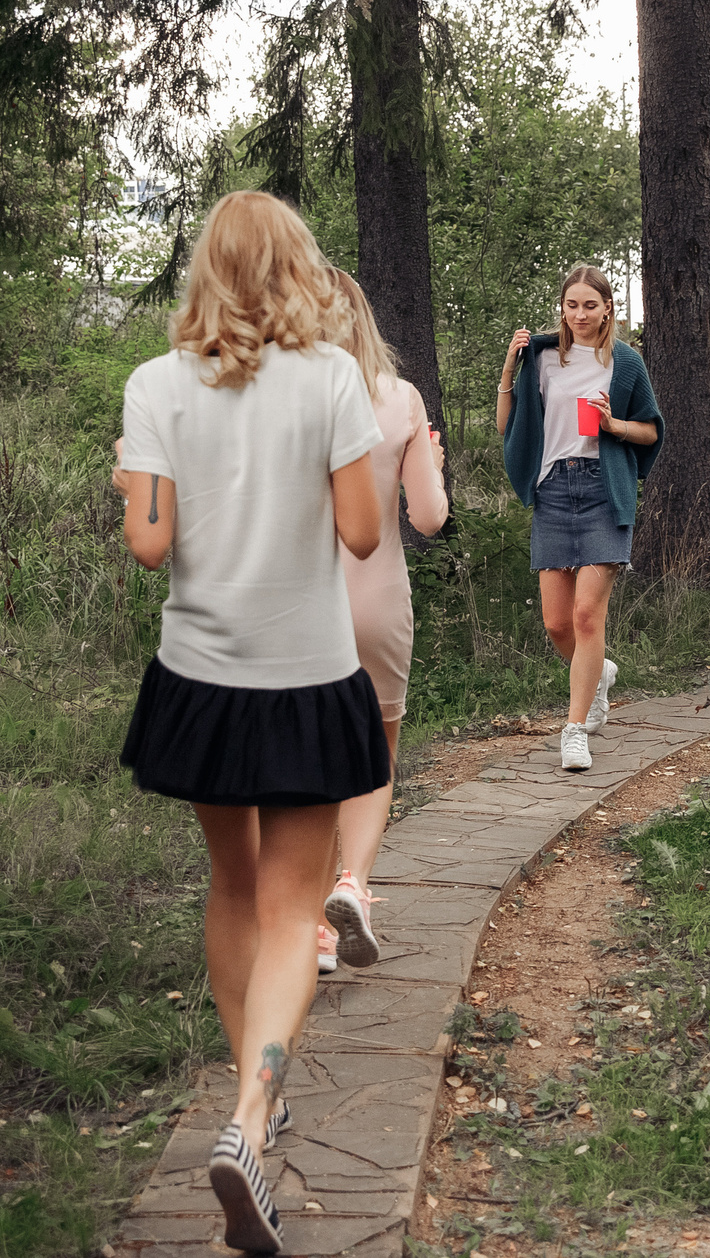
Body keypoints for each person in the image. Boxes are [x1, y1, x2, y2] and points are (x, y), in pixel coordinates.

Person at [110, 191, 390, 1255]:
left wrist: (134, 483)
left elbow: (148, 544)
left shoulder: (153, 387)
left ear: (205, 273)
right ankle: (250, 1118)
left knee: (234, 891)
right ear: (294, 268)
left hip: (201, 678)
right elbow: (363, 536)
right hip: (307, 677)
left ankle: (248, 1112)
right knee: (291, 913)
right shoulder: (330, 381)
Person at [319, 267, 449, 973]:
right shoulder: (400, 399)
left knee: (305, 758)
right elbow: (429, 517)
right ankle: (354, 883)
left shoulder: (283, 397)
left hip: (303, 602)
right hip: (377, 600)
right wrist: (426, 455)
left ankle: (311, 928)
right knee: (373, 753)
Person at [495, 264, 664, 773]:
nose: (581, 314)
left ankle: (574, 729)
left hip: (601, 490)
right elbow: (509, 427)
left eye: (591, 305)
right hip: (553, 490)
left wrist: (613, 424)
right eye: (573, 305)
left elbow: (651, 432)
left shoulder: (626, 362)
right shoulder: (542, 359)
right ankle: (599, 674)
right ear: (562, 308)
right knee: (556, 623)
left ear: (607, 308)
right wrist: (509, 368)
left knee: (588, 617)